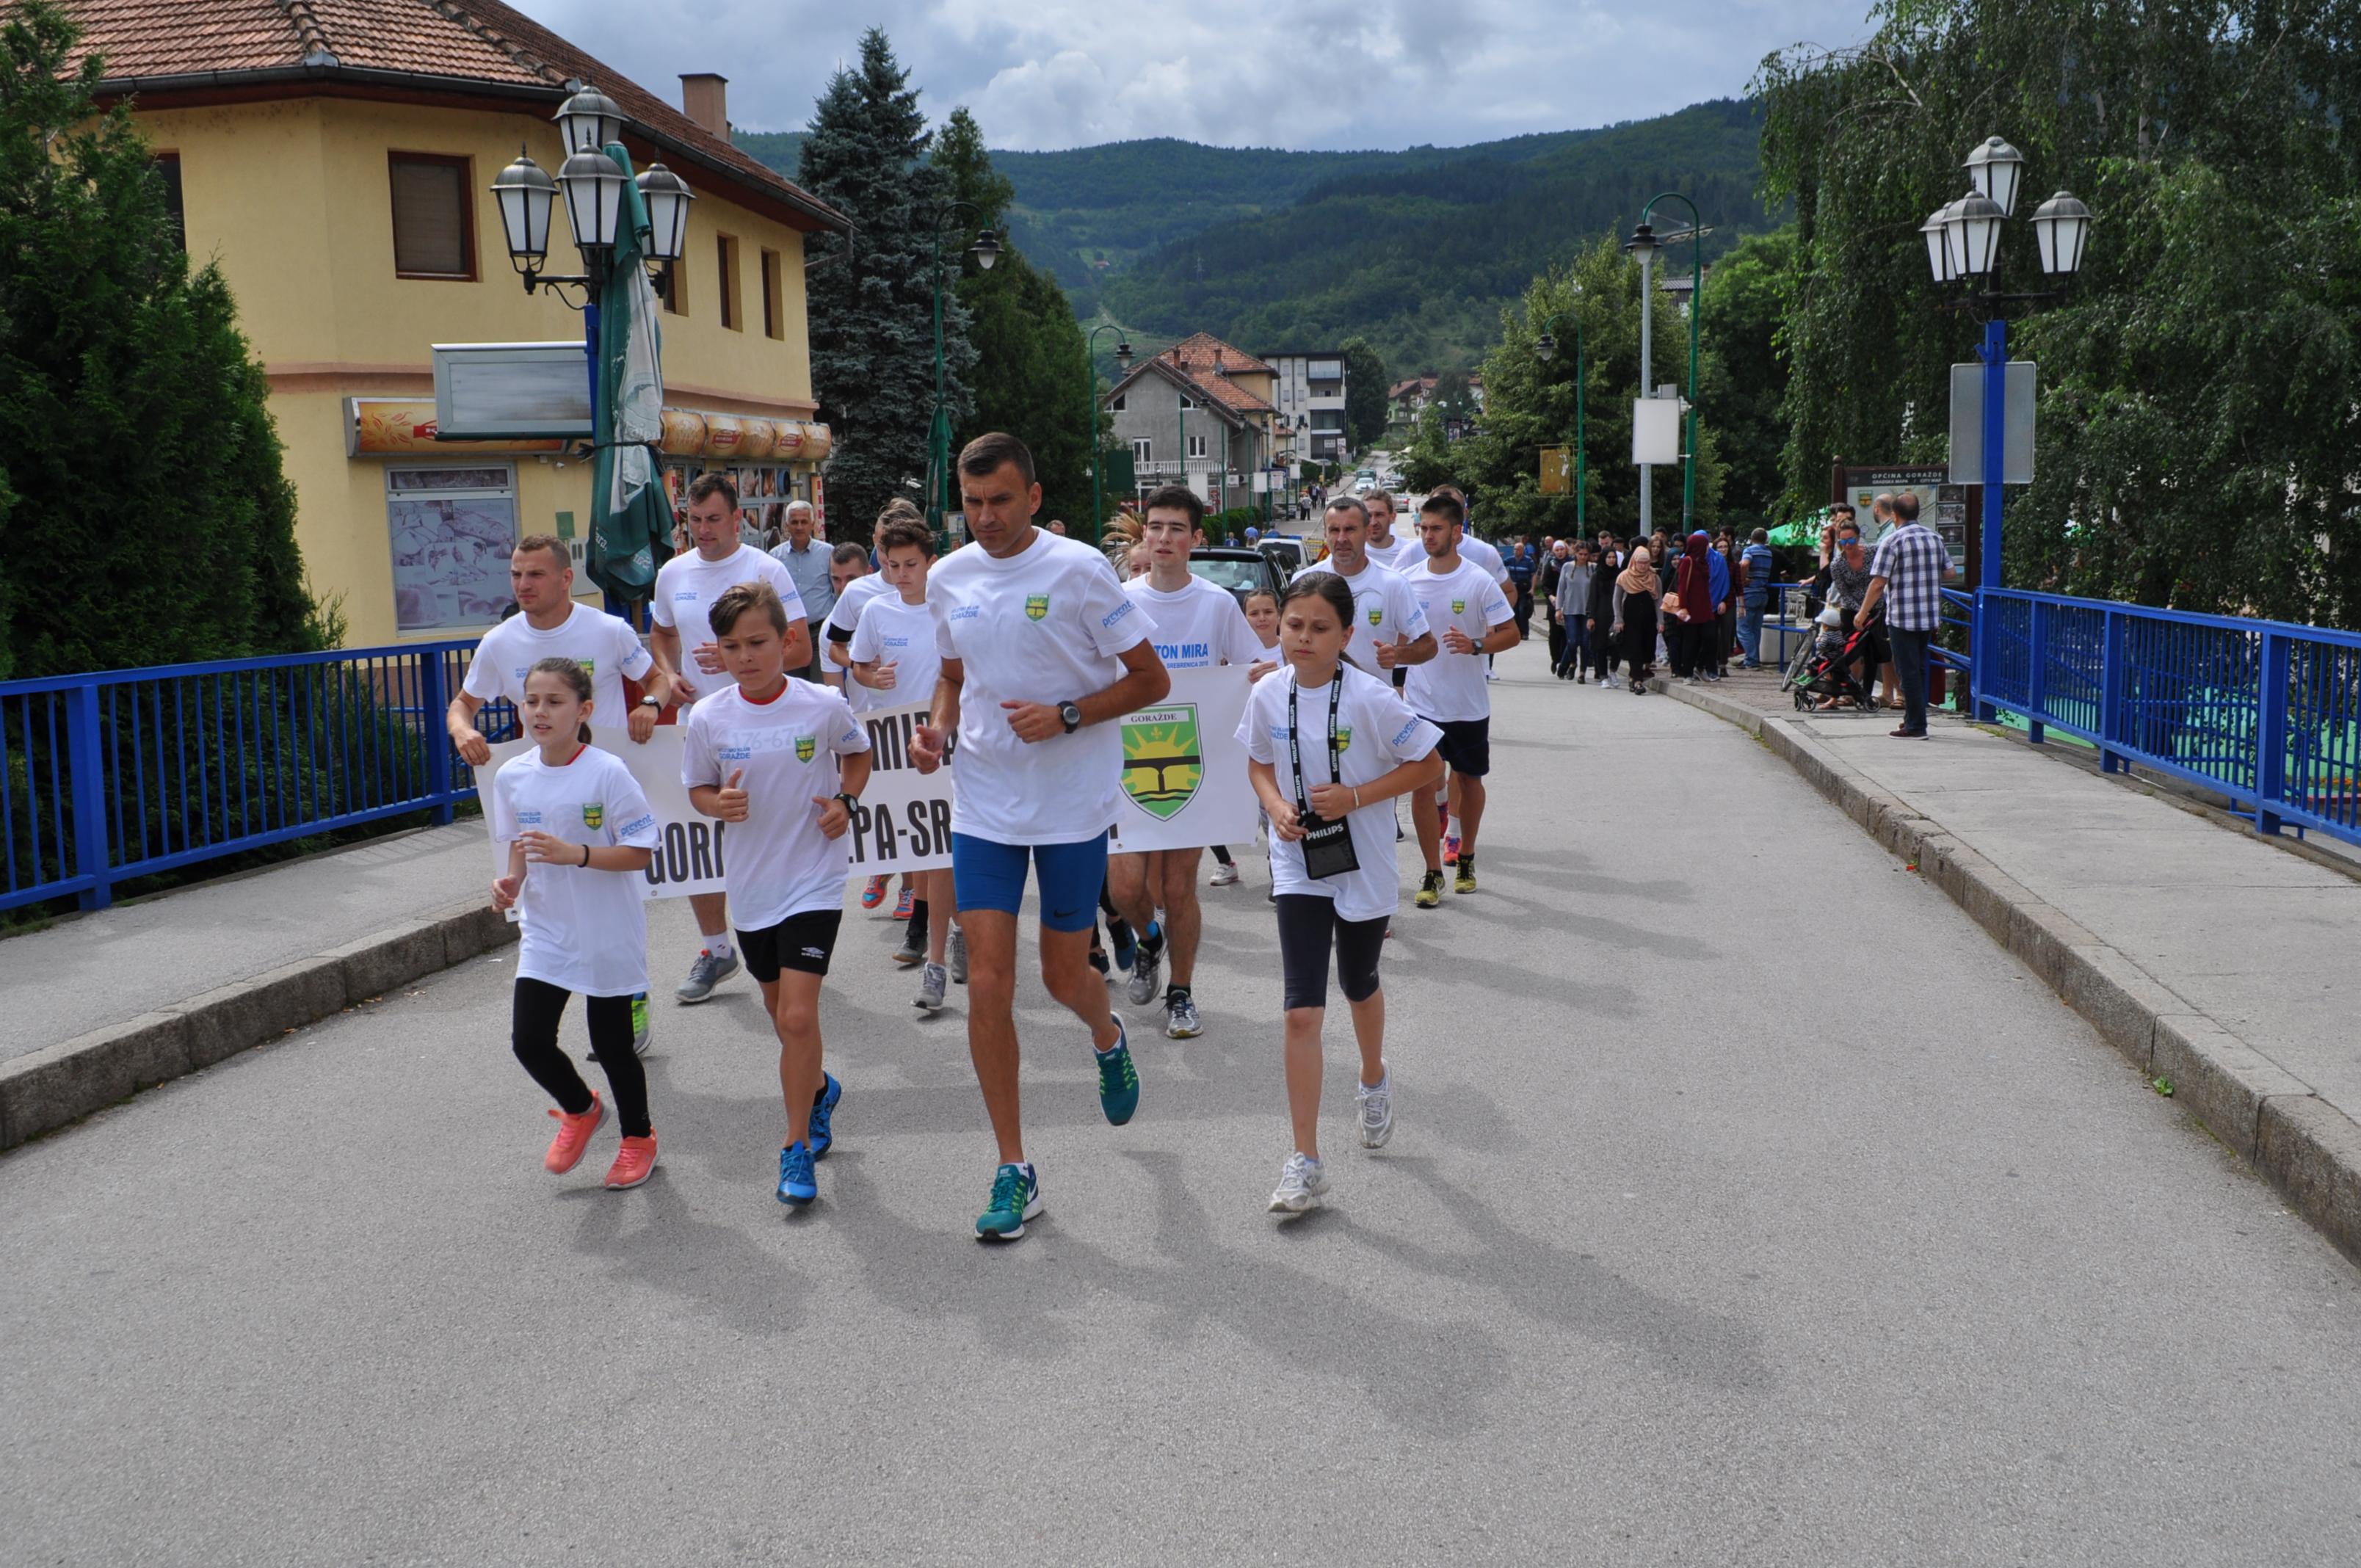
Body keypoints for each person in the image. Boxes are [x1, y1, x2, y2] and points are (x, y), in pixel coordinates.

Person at [910, 432, 1172, 1243]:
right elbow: (954, 675)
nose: (984, 519)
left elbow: (1150, 679)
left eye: (1000, 501)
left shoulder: (1080, 569)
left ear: (1033, 494)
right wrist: (937, 727)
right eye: (971, 502)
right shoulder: (948, 577)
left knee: (1064, 978)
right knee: (986, 983)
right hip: (985, 801)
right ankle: (1014, 1168)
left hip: (1069, 806)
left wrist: (1066, 716)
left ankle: (1107, 1034)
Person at [1241, 573, 1444, 1213]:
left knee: (1358, 983)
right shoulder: (1269, 693)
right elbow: (1257, 760)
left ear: (1346, 635)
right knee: (1302, 1009)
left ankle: (1373, 1077)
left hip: (1365, 861)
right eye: (1294, 624)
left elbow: (1431, 765)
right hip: (1298, 859)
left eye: (1320, 627)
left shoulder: (1370, 698)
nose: (1303, 637)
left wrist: (1357, 797)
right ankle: (1305, 1161)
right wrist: (1274, 805)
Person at [682, 581, 874, 1207]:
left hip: (813, 879)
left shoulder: (821, 703)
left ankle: (795, 1147)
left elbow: (857, 755)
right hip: (753, 886)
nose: (746, 656)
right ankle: (819, 1087)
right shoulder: (709, 717)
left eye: (758, 642)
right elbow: (698, 792)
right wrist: (720, 803)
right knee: (780, 1015)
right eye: (731, 646)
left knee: (796, 1017)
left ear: (787, 640)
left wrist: (846, 803)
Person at [448, 534, 677, 1056]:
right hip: (546, 787)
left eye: (535, 575)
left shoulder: (607, 630)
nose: (523, 585)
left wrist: (648, 705)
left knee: (621, 898)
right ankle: (564, 997)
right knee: (559, 904)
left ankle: (630, 995)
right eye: (515, 575)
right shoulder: (500, 643)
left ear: (565, 578)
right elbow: (461, 705)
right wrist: (463, 732)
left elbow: (659, 682)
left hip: (607, 780)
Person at [489, 657, 663, 1191]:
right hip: (546, 929)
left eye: (554, 702)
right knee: (529, 1041)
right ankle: (580, 1108)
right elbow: (522, 842)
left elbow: (640, 853)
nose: (539, 712)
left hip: (606, 928)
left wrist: (578, 854)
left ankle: (638, 1137)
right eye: (532, 700)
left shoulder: (607, 771)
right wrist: (512, 882)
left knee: (612, 1047)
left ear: (584, 710)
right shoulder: (512, 775)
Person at [1109, 486, 1271, 1039]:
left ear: (1196, 539)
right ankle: (1148, 942)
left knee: (1179, 889)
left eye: (1177, 529)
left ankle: (1181, 993)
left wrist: (1259, 676)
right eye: (1156, 527)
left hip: (1192, 766)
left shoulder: (1216, 604)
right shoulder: (1120, 601)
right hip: (1126, 766)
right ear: (1144, 534)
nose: (1164, 538)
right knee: (1126, 891)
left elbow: (1261, 665)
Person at [648, 473, 810, 1005]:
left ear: (738, 518)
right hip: (700, 724)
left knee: (767, 835)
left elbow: (803, 649)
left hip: (766, 725)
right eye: (693, 521)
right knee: (699, 841)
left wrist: (744, 659)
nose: (703, 531)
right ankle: (717, 949)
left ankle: (784, 937)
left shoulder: (766, 569)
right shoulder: (673, 573)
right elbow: (663, 633)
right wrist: (668, 675)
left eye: (714, 520)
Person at [848, 518, 960, 1007]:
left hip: (946, 737)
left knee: (944, 848)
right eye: (892, 566)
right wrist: (873, 679)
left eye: (911, 564)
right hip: (895, 739)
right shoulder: (875, 609)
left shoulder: (950, 608)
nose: (901, 574)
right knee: (920, 846)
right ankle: (936, 934)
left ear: (930, 562)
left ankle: (940, 943)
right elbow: (859, 664)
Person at [1399, 493, 1516, 907]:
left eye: (1436, 529)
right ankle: (1432, 872)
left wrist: (1477, 644)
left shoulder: (1478, 580)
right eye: (1424, 528)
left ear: (1456, 532)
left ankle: (1465, 855)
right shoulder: (1408, 577)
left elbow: (1512, 632)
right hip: (1421, 703)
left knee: (1469, 781)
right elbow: (1401, 635)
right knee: (1423, 785)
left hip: (1467, 705)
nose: (1428, 536)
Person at [1859, 492, 1954, 739]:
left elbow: (1878, 583)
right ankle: (1913, 717)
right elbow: (1951, 572)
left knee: (1907, 671)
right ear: (1918, 513)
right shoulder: (1935, 538)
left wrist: (1863, 612)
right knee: (1920, 669)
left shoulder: (1892, 542)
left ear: (1894, 515)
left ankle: (1916, 727)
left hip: (1902, 616)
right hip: (1929, 615)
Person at [768, 499, 833, 680]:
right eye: (794, 522)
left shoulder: (828, 554)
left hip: (820, 633)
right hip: (790, 635)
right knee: (793, 688)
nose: (799, 527)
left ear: (813, 524)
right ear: (787, 524)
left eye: (804, 522)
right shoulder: (775, 558)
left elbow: (836, 590)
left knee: (822, 688)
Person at [1611, 545, 1659, 695]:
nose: (1643, 566)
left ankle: (1634, 676)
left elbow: (1659, 600)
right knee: (1635, 649)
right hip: (1630, 619)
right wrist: (1618, 619)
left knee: (1647, 648)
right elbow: (1617, 600)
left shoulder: (1654, 578)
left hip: (1649, 618)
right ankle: (1638, 682)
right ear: (1634, 561)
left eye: (1646, 562)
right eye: (1640, 562)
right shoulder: (1624, 577)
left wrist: (1661, 621)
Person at [1554, 541, 1595, 681]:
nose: (1583, 557)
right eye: (1580, 554)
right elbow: (1561, 588)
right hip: (1570, 609)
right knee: (1572, 641)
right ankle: (1572, 663)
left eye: (1585, 554)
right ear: (1575, 554)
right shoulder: (1567, 567)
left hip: (1587, 610)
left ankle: (1582, 672)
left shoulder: (1593, 568)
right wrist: (1558, 608)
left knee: (1585, 641)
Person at [1739, 527, 1774, 667]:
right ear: (1765, 539)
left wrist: (1742, 580)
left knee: (1743, 628)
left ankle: (1751, 659)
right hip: (1763, 593)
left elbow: (1745, 564)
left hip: (1750, 592)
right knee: (1755, 629)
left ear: (1752, 538)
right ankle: (1754, 658)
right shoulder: (1768, 553)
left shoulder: (1749, 550)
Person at [1360, 490, 1416, 576]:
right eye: (1368, 516)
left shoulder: (1409, 551)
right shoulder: (1355, 552)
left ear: (1393, 517)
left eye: (1379, 515)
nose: (1373, 522)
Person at [1506, 537, 1539, 639]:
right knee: (1515, 611)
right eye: (1515, 549)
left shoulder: (1528, 561)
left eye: (1518, 549)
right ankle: (1518, 632)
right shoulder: (1510, 560)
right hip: (1514, 589)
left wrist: (1532, 589)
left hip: (1525, 589)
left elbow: (1534, 575)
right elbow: (1499, 565)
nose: (1516, 551)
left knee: (1523, 611)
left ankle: (1525, 633)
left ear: (1523, 550)